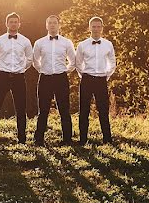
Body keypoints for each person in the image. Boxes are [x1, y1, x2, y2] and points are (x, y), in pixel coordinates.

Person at [0, 12, 33, 145]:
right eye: (11, 22)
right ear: (6, 24)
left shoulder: (25, 41)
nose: (13, 24)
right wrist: (0, 70)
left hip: (19, 77)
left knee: (20, 107)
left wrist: (21, 69)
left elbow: (29, 59)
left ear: (19, 24)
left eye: (15, 22)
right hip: (2, 77)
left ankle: (22, 139)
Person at [32, 14, 77, 146]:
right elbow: (35, 61)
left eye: (54, 23)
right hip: (45, 78)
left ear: (59, 25)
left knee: (64, 110)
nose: (52, 25)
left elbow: (73, 61)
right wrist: (43, 70)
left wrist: (64, 71)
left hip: (61, 78)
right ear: (46, 25)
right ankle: (39, 139)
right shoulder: (39, 43)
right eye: (50, 23)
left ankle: (67, 139)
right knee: (43, 110)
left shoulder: (67, 42)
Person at [75, 16, 117, 145]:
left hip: (101, 80)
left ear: (102, 28)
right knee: (84, 110)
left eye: (98, 26)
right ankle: (82, 140)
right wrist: (85, 75)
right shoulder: (82, 45)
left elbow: (112, 63)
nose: (96, 29)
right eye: (94, 26)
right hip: (87, 79)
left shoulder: (108, 44)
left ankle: (107, 139)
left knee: (103, 110)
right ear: (89, 28)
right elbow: (78, 64)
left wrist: (106, 76)